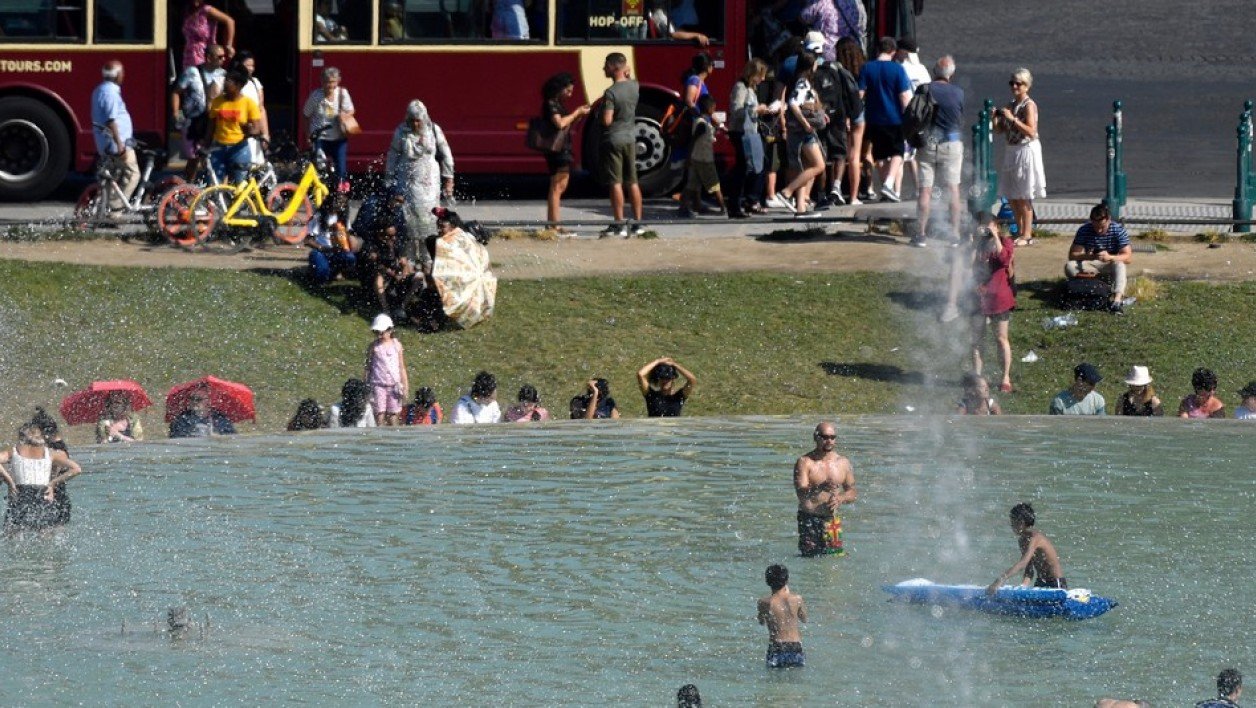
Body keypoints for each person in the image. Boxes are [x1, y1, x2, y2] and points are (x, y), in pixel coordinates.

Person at [766, 52, 826, 215]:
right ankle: (787, 192)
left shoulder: (801, 82)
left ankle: (801, 208)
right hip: (804, 132)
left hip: (801, 131)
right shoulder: (802, 84)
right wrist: (806, 123)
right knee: (818, 165)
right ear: (810, 67)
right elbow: (793, 103)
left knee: (804, 169)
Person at [386, 100, 455, 243]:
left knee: (429, 216)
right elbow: (392, 155)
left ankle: (428, 253)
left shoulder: (434, 130)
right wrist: (389, 178)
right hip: (407, 181)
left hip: (429, 182)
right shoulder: (401, 132)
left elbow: (446, 153)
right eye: (412, 120)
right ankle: (410, 253)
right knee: (408, 217)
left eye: (418, 121)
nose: (415, 124)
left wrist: (449, 179)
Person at [913, 55, 965, 246]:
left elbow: (914, 113)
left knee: (925, 190)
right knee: (953, 189)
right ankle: (955, 235)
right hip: (951, 144)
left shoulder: (924, 89)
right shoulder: (958, 92)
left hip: (928, 143)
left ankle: (920, 234)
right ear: (951, 73)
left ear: (935, 71)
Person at [994, 67, 1046, 247]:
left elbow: (1031, 131)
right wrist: (996, 119)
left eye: (1019, 83)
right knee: (1012, 195)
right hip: (1012, 149)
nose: (1015, 86)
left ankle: (1027, 234)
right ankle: (1020, 230)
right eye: (1012, 83)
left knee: (1024, 194)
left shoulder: (1029, 105)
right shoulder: (1011, 104)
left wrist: (1013, 118)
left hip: (1025, 150)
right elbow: (999, 130)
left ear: (1027, 86)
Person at [857, 37, 912, 203]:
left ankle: (884, 191)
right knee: (897, 153)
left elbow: (860, 94)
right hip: (894, 118)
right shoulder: (897, 69)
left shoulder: (867, 68)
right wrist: (908, 116)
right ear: (893, 52)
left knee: (880, 156)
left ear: (877, 50)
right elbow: (904, 96)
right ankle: (888, 184)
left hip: (873, 118)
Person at [0, 423, 82, 531]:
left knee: (12, 537)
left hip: (20, 495)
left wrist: (10, 482)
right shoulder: (50, 453)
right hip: (43, 495)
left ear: (21, 437)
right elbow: (77, 469)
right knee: (45, 538)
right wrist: (52, 483)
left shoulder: (14, 451)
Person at [599, 53, 645, 238]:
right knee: (632, 181)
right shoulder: (634, 87)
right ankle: (638, 223)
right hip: (630, 138)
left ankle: (619, 223)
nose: (604, 69)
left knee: (616, 182)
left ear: (612, 66)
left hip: (614, 139)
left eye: (606, 65)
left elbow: (607, 120)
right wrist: (628, 72)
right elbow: (630, 78)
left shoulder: (611, 93)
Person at [793, 421, 857, 557]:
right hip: (809, 519)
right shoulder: (805, 462)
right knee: (810, 561)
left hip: (832, 519)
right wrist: (820, 486)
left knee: (834, 559)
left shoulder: (843, 463)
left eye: (832, 437)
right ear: (815, 437)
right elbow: (801, 492)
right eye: (825, 437)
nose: (829, 440)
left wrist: (840, 498)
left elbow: (852, 492)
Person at [810, 38, 859, 208]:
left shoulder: (811, 70)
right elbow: (846, 94)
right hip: (838, 116)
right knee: (839, 153)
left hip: (820, 117)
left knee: (821, 157)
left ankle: (821, 193)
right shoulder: (836, 69)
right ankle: (836, 188)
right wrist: (847, 117)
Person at [539, 73, 591, 231]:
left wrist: (579, 115)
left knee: (556, 187)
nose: (570, 94)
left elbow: (566, 124)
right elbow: (560, 123)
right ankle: (554, 226)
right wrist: (576, 113)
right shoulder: (552, 104)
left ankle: (553, 224)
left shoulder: (556, 104)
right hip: (559, 151)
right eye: (568, 91)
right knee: (558, 187)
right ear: (559, 89)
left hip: (560, 149)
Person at [971, 217, 1015, 393]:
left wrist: (996, 236)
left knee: (1001, 338)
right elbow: (974, 267)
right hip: (980, 297)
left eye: (991, 226)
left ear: (997, 226)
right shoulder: (980, 244)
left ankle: (1005, 377)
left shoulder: (1006, 242)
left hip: (999, 298)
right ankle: (977, 377)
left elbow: (1004, 259)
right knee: (977, 340)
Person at [1066, 202, 1133, 314]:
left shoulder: (1118, 230)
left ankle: (1117, 300)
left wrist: (1110, 257)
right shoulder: (1084, 230)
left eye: (1102, 227)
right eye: (1095, 227)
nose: (1099, 231)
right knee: (1070, 266)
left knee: (1120, 265)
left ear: (1108, 220)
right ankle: (1090, 288)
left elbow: (1128, 257)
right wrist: (1090, 256)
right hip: (1092, 263)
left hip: (1110, 264)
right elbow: (1072, 255)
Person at [986, 502, 1066, 595]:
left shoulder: (1035, 538)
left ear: (1021, 522)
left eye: (1013, 521)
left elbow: (1023, 563)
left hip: (1055, 584)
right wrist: (1023, 587)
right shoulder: (1022, 540)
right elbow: (1029, 570)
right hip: (1040, 582)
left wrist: (1000, 580)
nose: (1011, 525)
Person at [727, 58, 772, 218]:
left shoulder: (751, 89)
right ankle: (738, 203)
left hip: (750, 132)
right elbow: (736, 110)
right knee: (744, 167)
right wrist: (756, 110)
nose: (763, 79)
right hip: (740, 132)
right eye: (761, 75)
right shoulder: (740, 87)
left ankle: (749, 200)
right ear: (752, 73)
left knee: (758, 164)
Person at [91, 61, 139, 212]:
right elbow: (111, 120)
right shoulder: (110, 93)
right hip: (117, 143)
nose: (124, 75)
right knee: (133, 174)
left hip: (106, 143)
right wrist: (120, 145)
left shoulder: (100, 90)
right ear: (117, 75)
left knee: (116, 177)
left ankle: (106, 209)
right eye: (122, 72)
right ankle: (115, 209)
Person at [171, 44, 225, 177]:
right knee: (194, 157)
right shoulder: (191, 72)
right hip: (193, 122)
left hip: (213, 121)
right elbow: (177, 92)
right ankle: (189, 185)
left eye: (224, 56)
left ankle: (212, 187)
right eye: (220, 57)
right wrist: (176, 112)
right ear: (208, 58)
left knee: (211, 158)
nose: (223, 59)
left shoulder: (224, 75)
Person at [203, 69, 261, 184]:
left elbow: (256, 128)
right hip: (218, 148)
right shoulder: (217, 102)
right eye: (226, 80)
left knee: (240, 186)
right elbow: (211, 127)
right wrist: (205, 147)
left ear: (238, 85)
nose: (225, 83)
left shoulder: (249, 103)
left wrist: (249, 129)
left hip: (240, 149)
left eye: (229, 81)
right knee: (214, 185)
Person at [303, 67, 356, 181]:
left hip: (338, 138)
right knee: (319, 167)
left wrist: (344, 115)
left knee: (341, 169)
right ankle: (320, 192)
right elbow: (306, 114)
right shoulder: (316, 96)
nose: (329, 85)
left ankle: (341, 194)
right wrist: (308, 136)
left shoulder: (342, 93)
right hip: (320, 138)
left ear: (338, 81)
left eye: (332, 82)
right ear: (322, 81)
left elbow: (351, 110)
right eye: (327, 81)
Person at [679, 95, 726, 217]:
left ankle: (683, 207)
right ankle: (723, 208)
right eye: (714, 109)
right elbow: (693, 141)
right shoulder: (702, 124)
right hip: (705, 160)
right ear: (710, 109)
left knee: (692, 184)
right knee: (714, 184)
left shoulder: (701, 122)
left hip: (696, 158)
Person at [834, 37, 868, 205]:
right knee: (855, 157)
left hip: (840, 115)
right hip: (858, 114)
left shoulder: (836, 70)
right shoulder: (862, 69)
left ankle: (834, 190)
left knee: (838, 155)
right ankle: (854, 197)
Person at [757, 564, 807, 668]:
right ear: (787, 581)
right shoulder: (797, 599)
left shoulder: (764, 602)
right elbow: (804, 619)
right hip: (795, 647)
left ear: (767, 582)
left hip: (776, 647)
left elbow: (761, 621)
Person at [364, 313, 409, 426]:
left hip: (394, 385)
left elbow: (401, 367)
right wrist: (365, 385)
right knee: (379, 413)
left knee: (393, 413)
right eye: (376, 332)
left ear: (390, 330)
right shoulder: (373, 347)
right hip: (378, 385)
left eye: (381, 332)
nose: (379, 335)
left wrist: (405, 386)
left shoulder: (396, 345)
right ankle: (380, 435)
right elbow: (367, 367)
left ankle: (394, 435)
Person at [229, 50, 269, 167]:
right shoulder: (231, 83)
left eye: (253, 66)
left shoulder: (256, 83)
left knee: (256, 167)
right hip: (235, 134)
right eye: (248, 65)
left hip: (253, 134)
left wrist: (265, 134)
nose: (251, 69)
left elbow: (260, 109)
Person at [181, 0, 234, 71]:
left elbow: (229, 21)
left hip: (205, 53)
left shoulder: (207, 10)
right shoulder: (188, 12)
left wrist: (229, 45)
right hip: (189, 55)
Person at [169, 389, 236, 437]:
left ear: (208, 401)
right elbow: (176, 438)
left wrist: (218, 437)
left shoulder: (220, 419)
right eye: (191, 398)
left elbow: (232, 439)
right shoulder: (181, 419)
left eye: (198, 399)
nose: (194, 402)